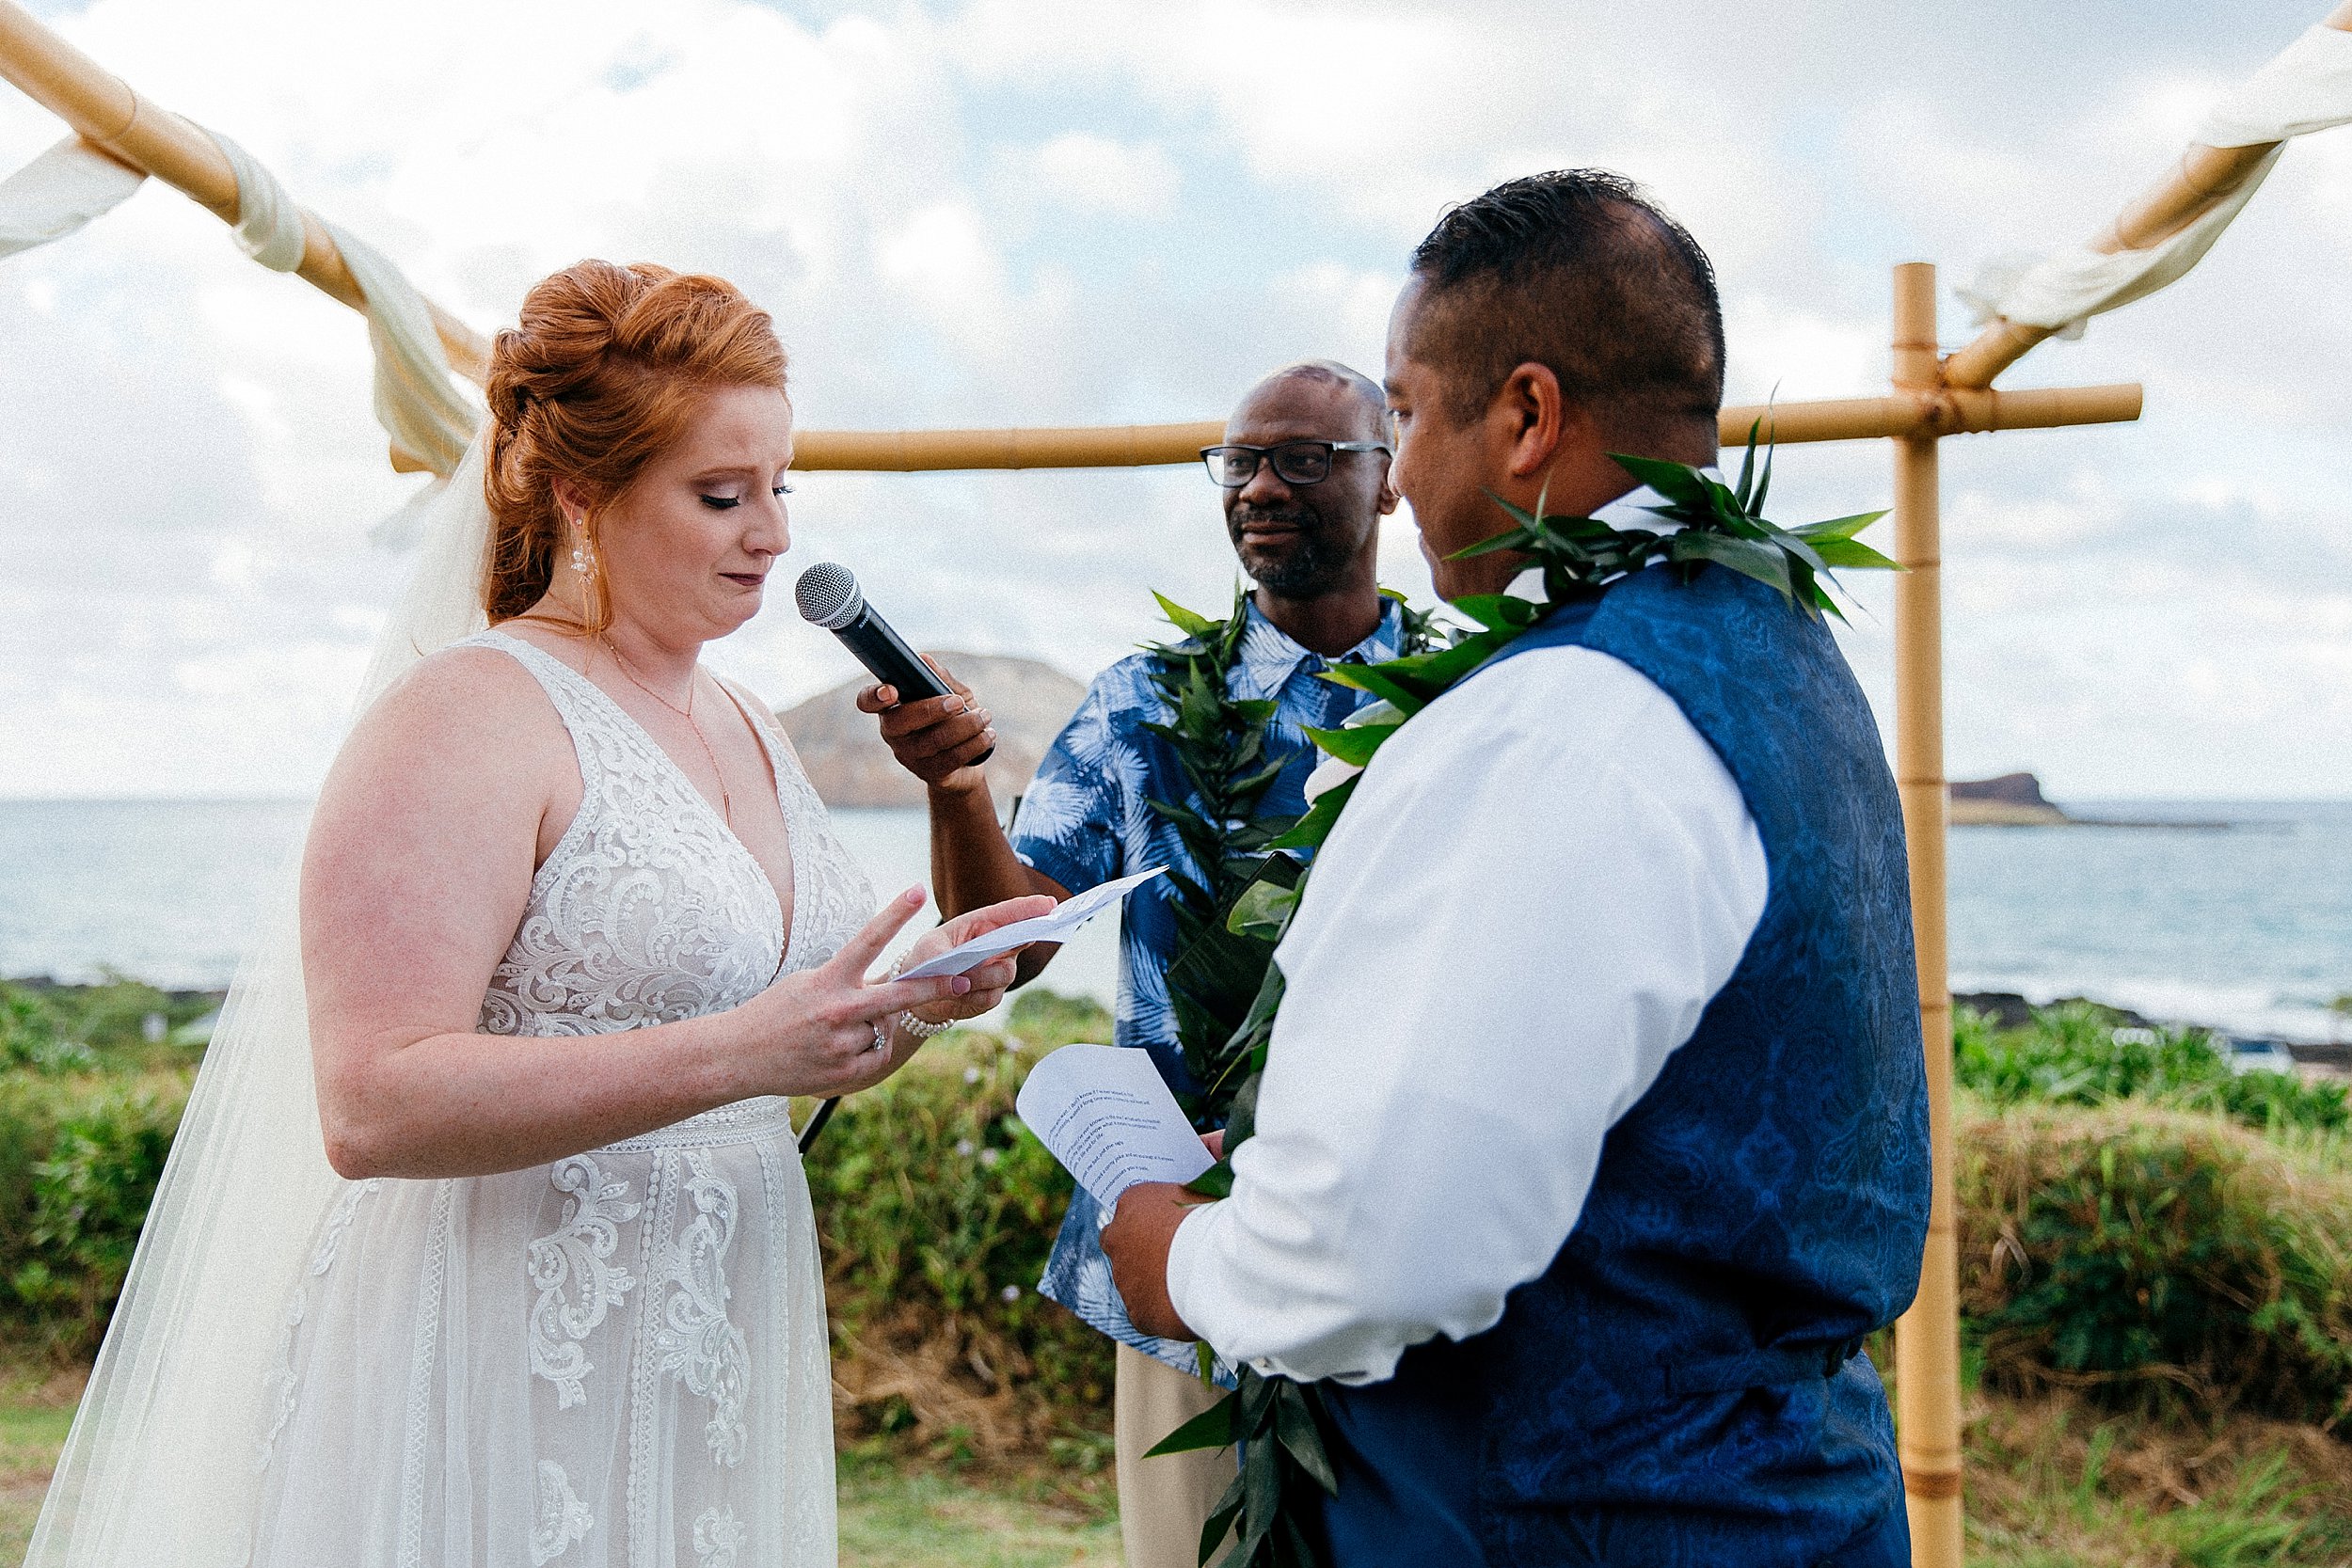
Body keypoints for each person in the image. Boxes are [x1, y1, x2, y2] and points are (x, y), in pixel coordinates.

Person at [26, 260, 1052, 1568]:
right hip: (492, 1348)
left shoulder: (744, 719)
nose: (776, 535)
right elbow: (372, 1099)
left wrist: (902, 1007)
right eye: (723, 495)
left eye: (781, 488)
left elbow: (783, 1048)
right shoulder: (468, 712)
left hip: (708, 1341)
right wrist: (752, 1049)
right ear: (581, 491)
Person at [1103, 171, 1931, 1566]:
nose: (1405, 469)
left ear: (1529, 416)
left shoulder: (1565, 725)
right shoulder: (1786, 661)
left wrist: (1174, 1255)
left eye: (1409, 413)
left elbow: (1383, 1251)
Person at [855, 361, 1406, 1568]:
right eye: (1240, 460)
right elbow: (1015, 937)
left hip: (1406, 1226)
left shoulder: (1461, 696)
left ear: (1393, 476)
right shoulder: (1142, 702)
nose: (1262, 485)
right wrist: (956, 790)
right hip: (1184, 1233)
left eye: (1305, 457)